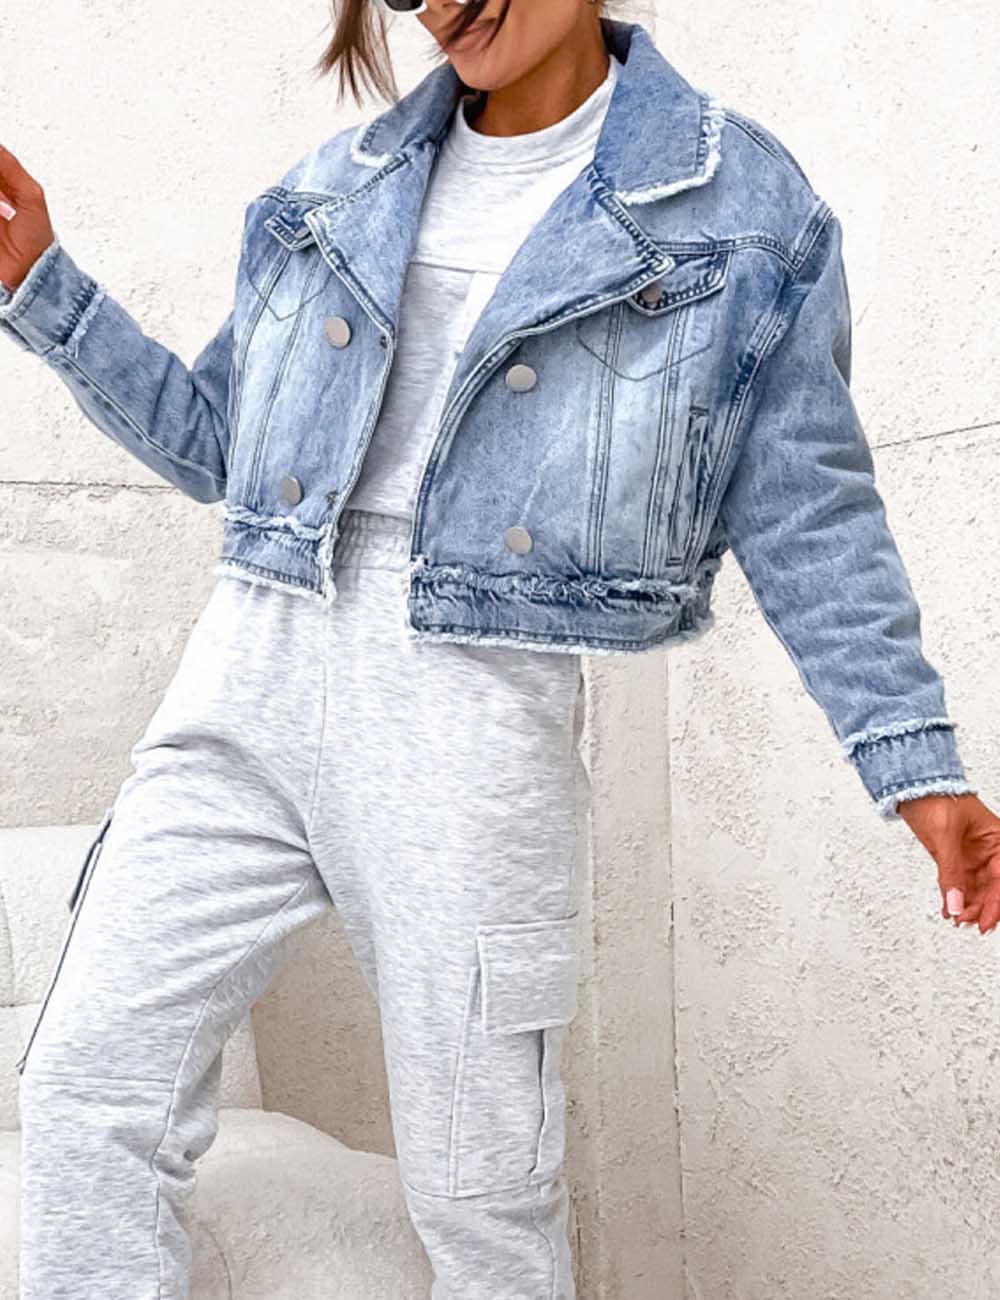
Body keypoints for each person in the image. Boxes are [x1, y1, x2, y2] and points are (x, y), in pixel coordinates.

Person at [1, 3, 997, 1298]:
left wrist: (912, 760)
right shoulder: (341, 185)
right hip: (248, 678)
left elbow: (809, 509)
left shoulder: (738, 206)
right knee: (87, 1095)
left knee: (480, 1192)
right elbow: (223, 447)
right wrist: (44, 287)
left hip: (468, 717)